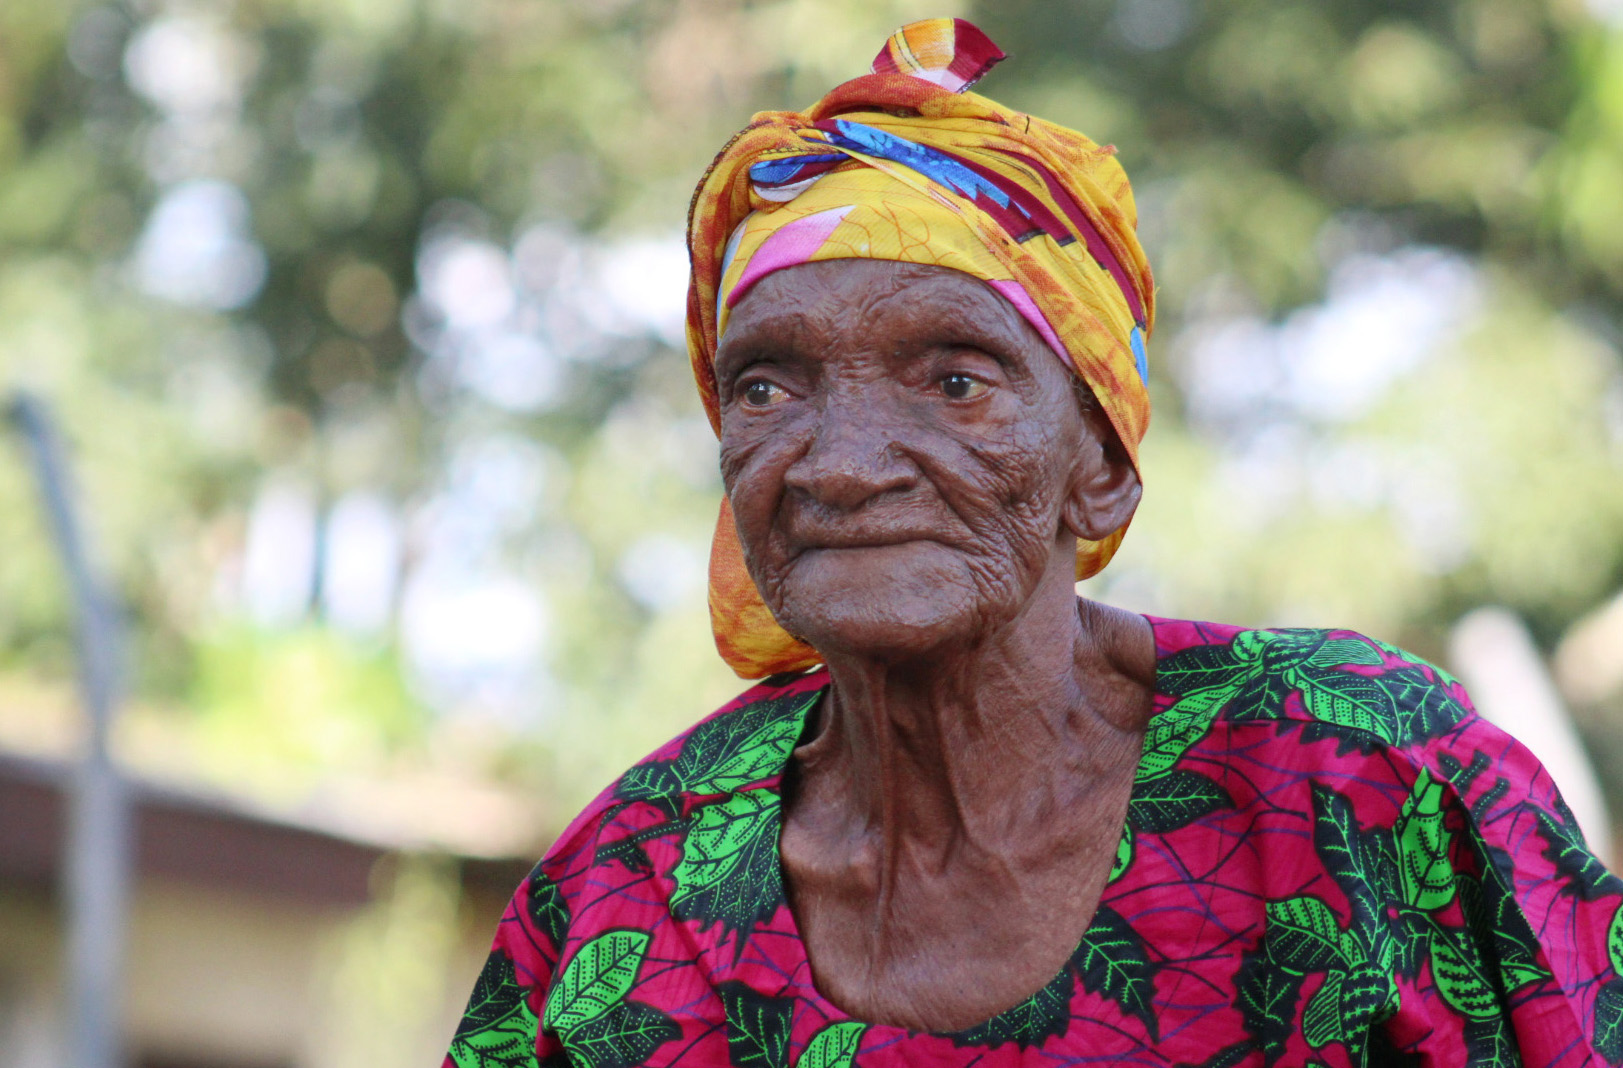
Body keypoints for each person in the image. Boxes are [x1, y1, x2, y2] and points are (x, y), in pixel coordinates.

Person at [445, 19, 1623, 1067]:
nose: (842, 463)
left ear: (1101, 470)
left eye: (955, 379)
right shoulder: (626, 893)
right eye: (765, 389)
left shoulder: (1365, 779)